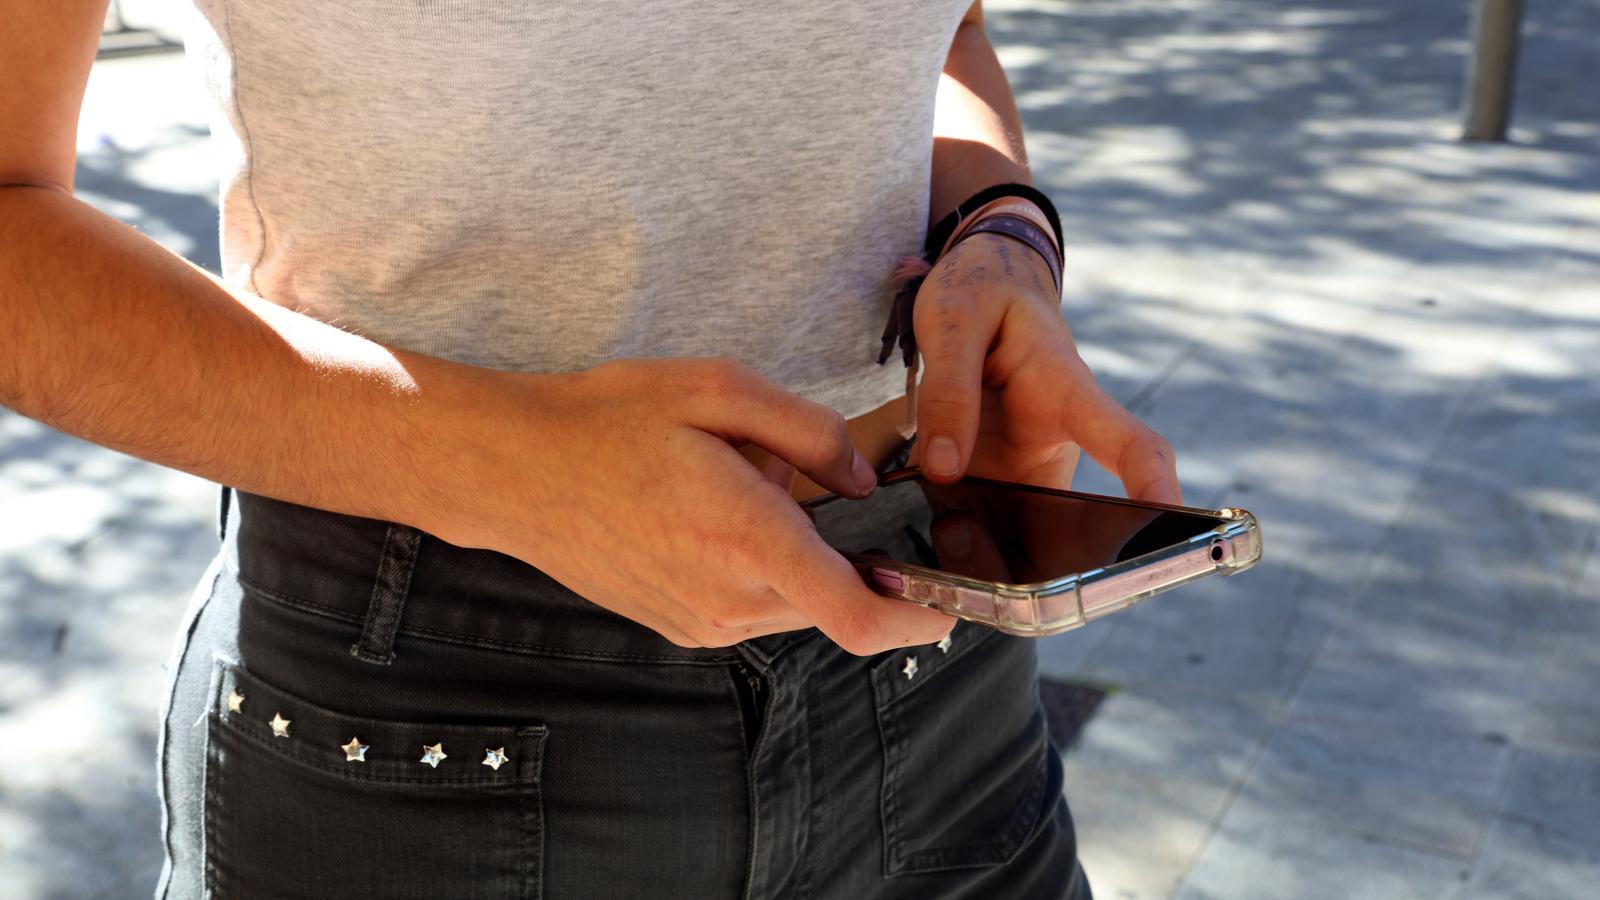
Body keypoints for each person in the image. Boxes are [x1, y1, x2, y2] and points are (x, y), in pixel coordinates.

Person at [1, 1, 1179, 896]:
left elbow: (938, 38)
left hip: (940, 690)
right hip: (433, 719)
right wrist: (505, 465)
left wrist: (1001, 232)